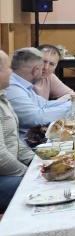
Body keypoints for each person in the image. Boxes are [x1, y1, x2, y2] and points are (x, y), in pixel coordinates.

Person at [4, 47, 75, 140]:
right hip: (24, 143)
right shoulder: (12, 87)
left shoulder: (23, 85)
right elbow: (36, 118)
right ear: (36, 70)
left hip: (31, 140)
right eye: (42, 66)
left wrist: (74, 102)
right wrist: (73, 105)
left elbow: (44, 104)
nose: (45, 68)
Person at [0, 50, 35, 212]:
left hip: (10, 172)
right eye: (9, 68)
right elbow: (1, 157)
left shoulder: (2, 97)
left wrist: (37, 162)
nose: (11, 73)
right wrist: (27, 174)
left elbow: (14, 140)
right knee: (41, 189)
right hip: (4, 177)